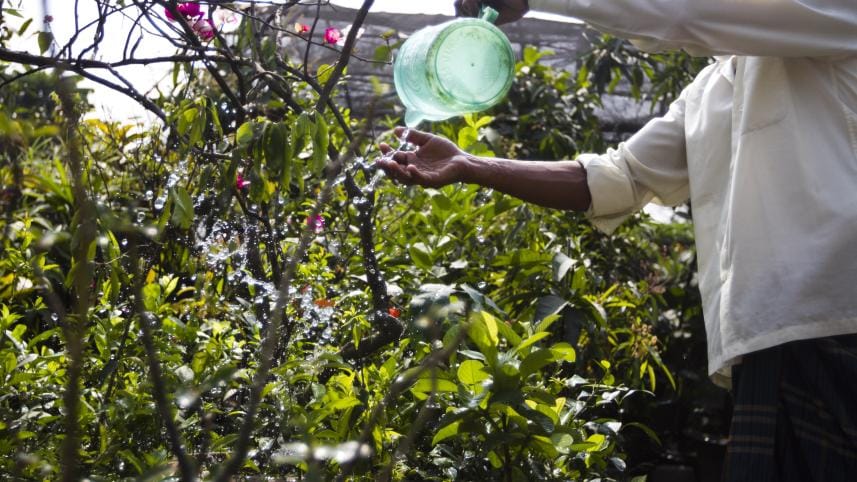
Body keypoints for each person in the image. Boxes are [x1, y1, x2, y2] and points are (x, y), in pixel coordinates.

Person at [375, 0, 857, 480]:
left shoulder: (828, 12)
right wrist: (471, 166)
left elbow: (681, 15)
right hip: (773, 337)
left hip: (838, 318)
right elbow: (618, 179)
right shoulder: (717, 85)